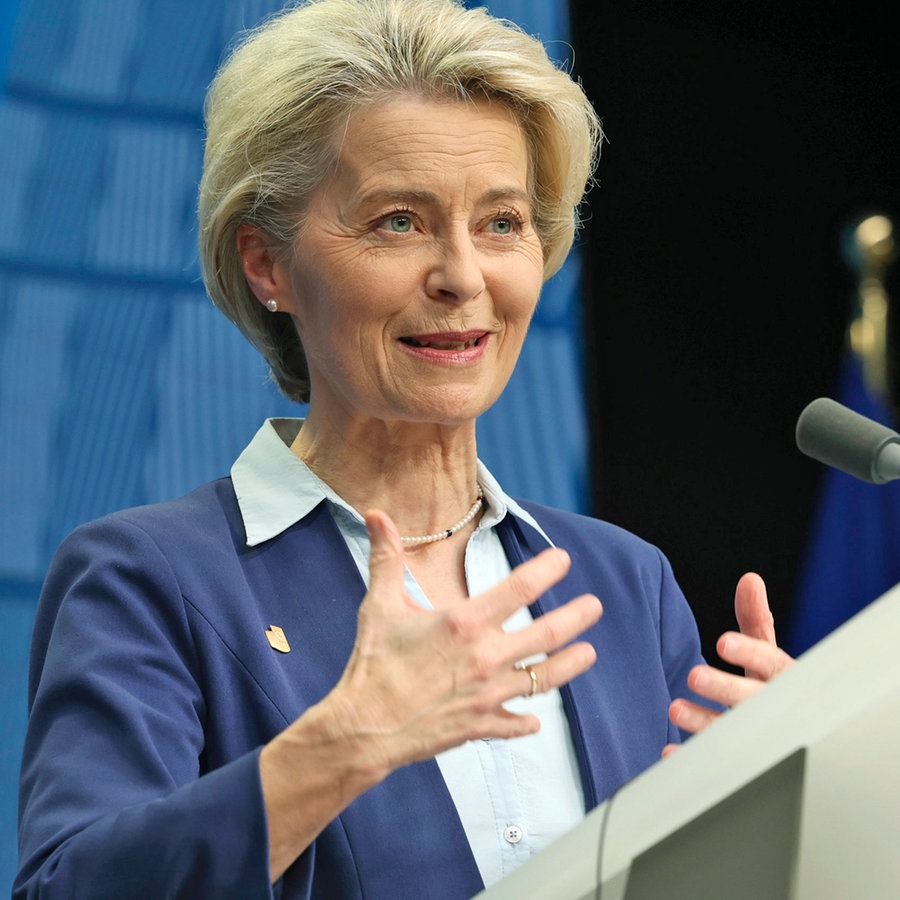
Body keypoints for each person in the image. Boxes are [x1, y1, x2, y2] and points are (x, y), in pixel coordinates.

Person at [14, 0, 794, 897]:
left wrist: (774, 793)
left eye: (501, 223)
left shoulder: (623, 583)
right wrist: (338, 750)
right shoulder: (149, 578)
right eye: (398, 221)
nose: (463, 276)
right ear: (267, 263)